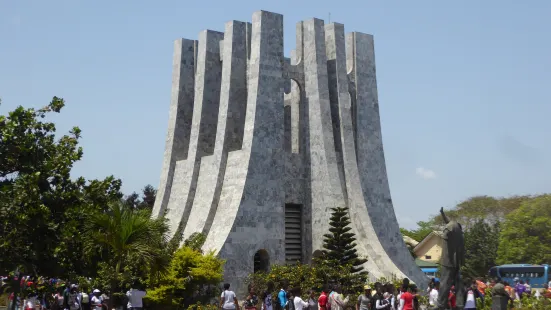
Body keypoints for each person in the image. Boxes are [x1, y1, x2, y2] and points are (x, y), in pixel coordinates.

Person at [437, 208, 465, 310]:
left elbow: (446, 232)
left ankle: (440, 304)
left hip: (448, 262)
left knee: (444, 283)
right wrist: (442, 213)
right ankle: (460, 304)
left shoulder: (450, 228)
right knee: (458, 283)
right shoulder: (458, 229)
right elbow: (448, 222)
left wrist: (444, 235)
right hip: (457, 262)